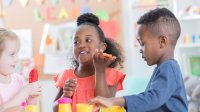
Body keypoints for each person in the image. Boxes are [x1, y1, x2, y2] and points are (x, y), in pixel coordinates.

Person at [89, 8, 188, 112]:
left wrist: (114, 101)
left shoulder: (169, 67)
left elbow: (152, 99)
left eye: (142, 44)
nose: (140, 50)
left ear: (162, 41)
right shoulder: (164, 68)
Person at [53, 13, 125, 112]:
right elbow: (55, 109)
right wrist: (66, 96)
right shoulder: (66, 76)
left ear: (102, 47)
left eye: (88, 40)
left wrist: (100, 71)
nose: (81, 45)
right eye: (76, 42)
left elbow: (105, 106)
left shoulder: (110, 75)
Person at [0, 28, 42, 112]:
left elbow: (27, 108)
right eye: (12, 54)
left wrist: (32, 98)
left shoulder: (19, 79)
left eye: (17, 53)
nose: (17, 59)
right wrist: (25, 92)